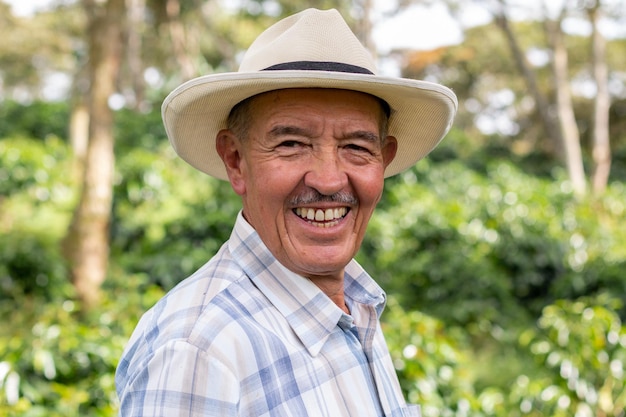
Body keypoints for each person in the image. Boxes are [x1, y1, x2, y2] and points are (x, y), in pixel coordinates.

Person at [115, 8, 457, 417]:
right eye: (292, 143)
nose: (329, 180)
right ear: (236, 160)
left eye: (357, 147)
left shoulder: (355, 306)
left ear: (383, 161)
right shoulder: (199, 351)